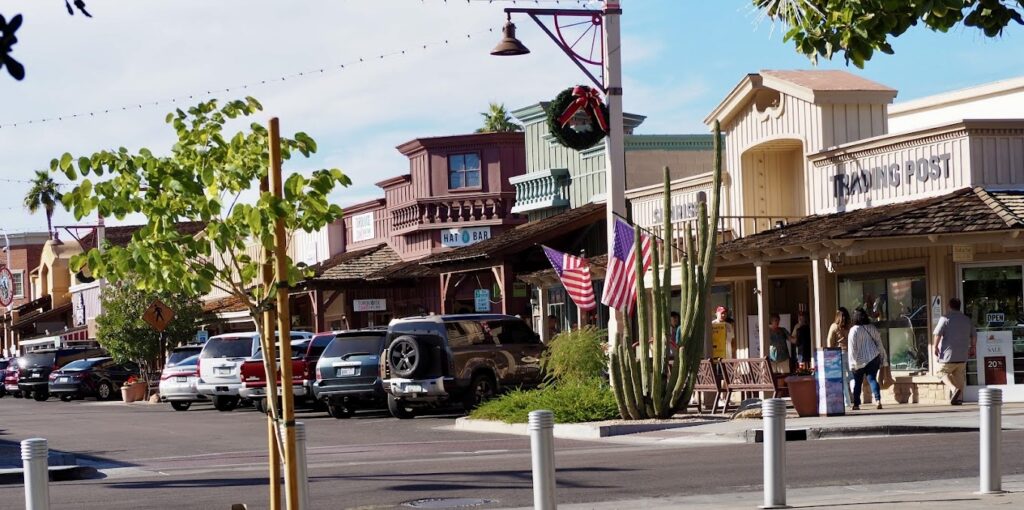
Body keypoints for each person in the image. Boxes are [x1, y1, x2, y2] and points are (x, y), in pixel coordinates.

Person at [933, 297, 976, 405]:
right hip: (962, 354)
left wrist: (935, 346)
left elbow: (937, 334)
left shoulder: (945, 318)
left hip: (948, 354)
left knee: (941, 372)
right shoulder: (967, 319)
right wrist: (973, 347)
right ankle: (959, 398)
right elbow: (974, 335)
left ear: (949, 306)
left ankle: (953, 389)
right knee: (959, 375)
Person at [848, 308, 887, 410]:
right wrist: (882, 357)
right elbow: (879, 343)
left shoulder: (853, 330)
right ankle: (878, 400)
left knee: (858, 382)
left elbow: (852, 348)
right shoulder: (871, 328)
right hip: (873, 357)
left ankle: (856, 404)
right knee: (872, 379)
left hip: (859, 360)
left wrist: (852, 363)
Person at [827, 307, 853, 406]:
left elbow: (829, 341)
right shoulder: (850, 326)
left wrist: (830, 354)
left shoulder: (834, 326)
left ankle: (847, 402)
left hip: (839, 354)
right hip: (850, 353)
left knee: (842, 379)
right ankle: (856, 394)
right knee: (852, 376)